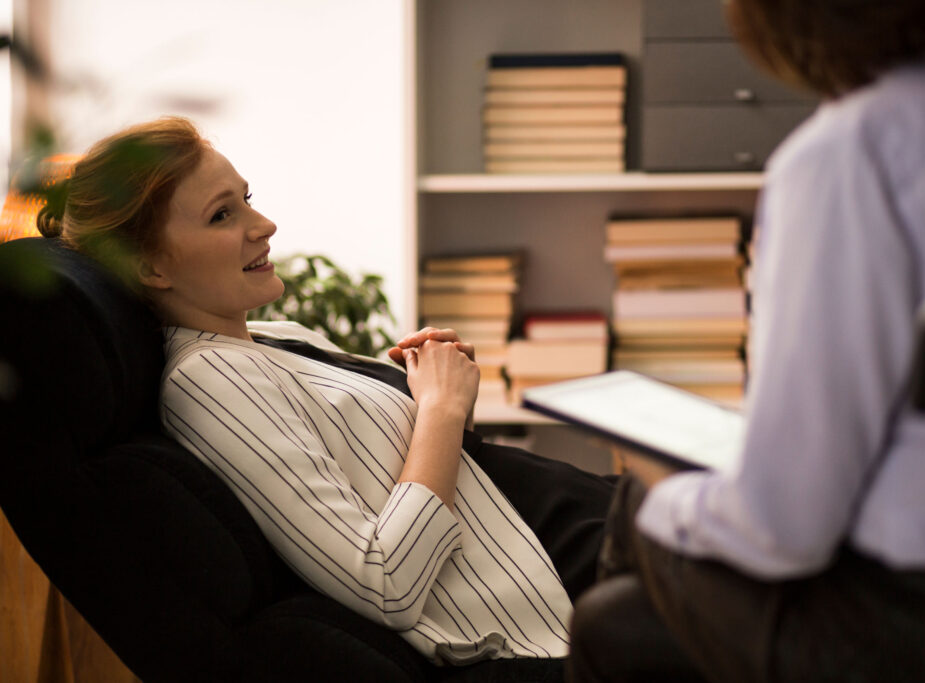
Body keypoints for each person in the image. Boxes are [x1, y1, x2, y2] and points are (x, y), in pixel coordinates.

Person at [36, 116, 615, 674]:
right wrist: (440, 408)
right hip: (565, 569)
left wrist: (433, 387)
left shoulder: (272, 339)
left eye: (246, 198)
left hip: (573, 523)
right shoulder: (209, 381)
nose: (263, 225)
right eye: (221, 215)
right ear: (150, 267)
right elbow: (387, 582)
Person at [569, 0, 925, 681]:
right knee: (625, 615)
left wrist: (664, 487)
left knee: (634, 531)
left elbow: (787, 528)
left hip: (918, 624)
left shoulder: (851, 152)